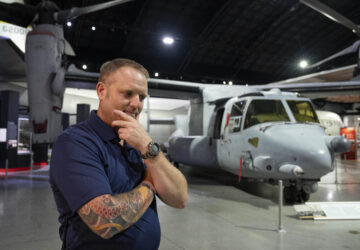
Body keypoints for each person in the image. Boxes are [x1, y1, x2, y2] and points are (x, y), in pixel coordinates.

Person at [50, 58, 188, 250]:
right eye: (128, 94)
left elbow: (180, 198)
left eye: (141, 97)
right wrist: (149, 185)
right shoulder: (75, 142)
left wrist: (149, 148)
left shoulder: (138, 143)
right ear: (101, 91)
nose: (136, 104)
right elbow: (105, 220)